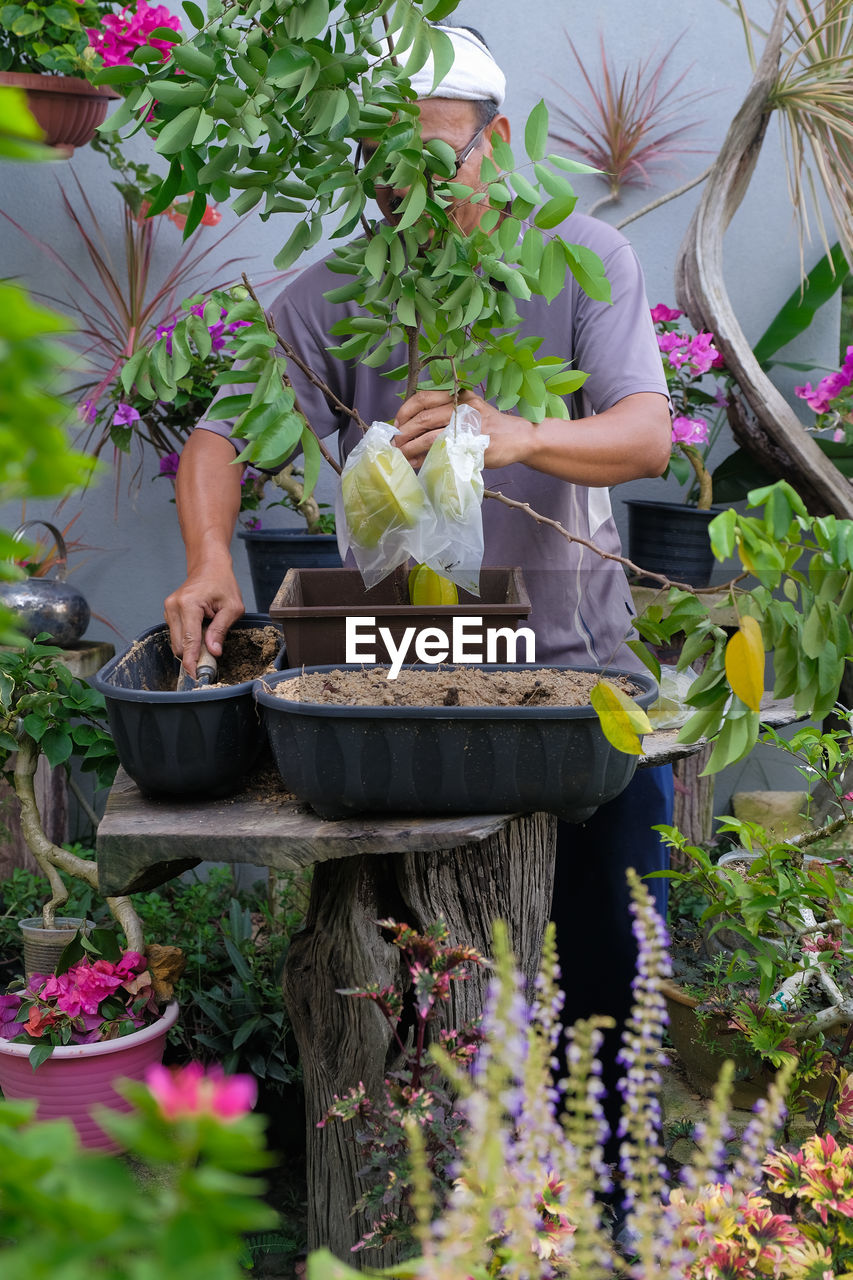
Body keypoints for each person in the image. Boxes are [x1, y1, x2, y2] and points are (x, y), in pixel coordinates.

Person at [165, 24, 673, 1176]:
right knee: (402, 959)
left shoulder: (582, 255)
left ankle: (612, 1195)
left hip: (578, 665)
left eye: (431, 158)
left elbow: (646, 434)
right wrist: (208, 556)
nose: (401, 186)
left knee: (613, 967)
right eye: (380, 162)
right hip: (418, 667)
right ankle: (425, 1190)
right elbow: (218, 429)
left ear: (491, 149)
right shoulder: (341, 287)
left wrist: (521, 430)